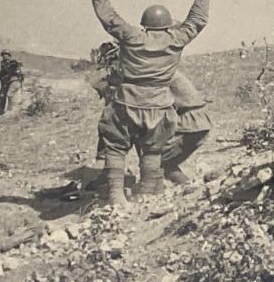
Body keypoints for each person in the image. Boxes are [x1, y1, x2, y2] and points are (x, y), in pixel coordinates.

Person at [83, 0, 215, 207]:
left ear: (145, 23)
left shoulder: (132, 36)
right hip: (159, 104)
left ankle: (116, 195)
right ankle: (146, 193)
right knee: (153, 149)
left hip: (127, 101)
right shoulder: (176, 39)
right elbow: (198, 19)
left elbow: (108, 17)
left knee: (116, 147)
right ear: (167, 24)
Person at [90, 41, 212, 187]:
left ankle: (145, 183)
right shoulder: (151, 67)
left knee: (143, 135)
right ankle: (185, 185)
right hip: (198, 123)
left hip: (189, 123)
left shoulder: (141, 74)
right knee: (162, 161)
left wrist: (105, 158)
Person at [0, 50, 24, 115]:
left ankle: (11, 110)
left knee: (10, 94)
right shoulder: (3, 63)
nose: (4, 56)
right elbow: (2, 73)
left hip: (14, 80)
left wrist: (17, 63)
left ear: (9, 55)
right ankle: (0, 111)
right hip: (6, 81)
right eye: (3, 55)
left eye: (6, 54)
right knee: (2, 95)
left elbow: (18, 65)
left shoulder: (12, 61)